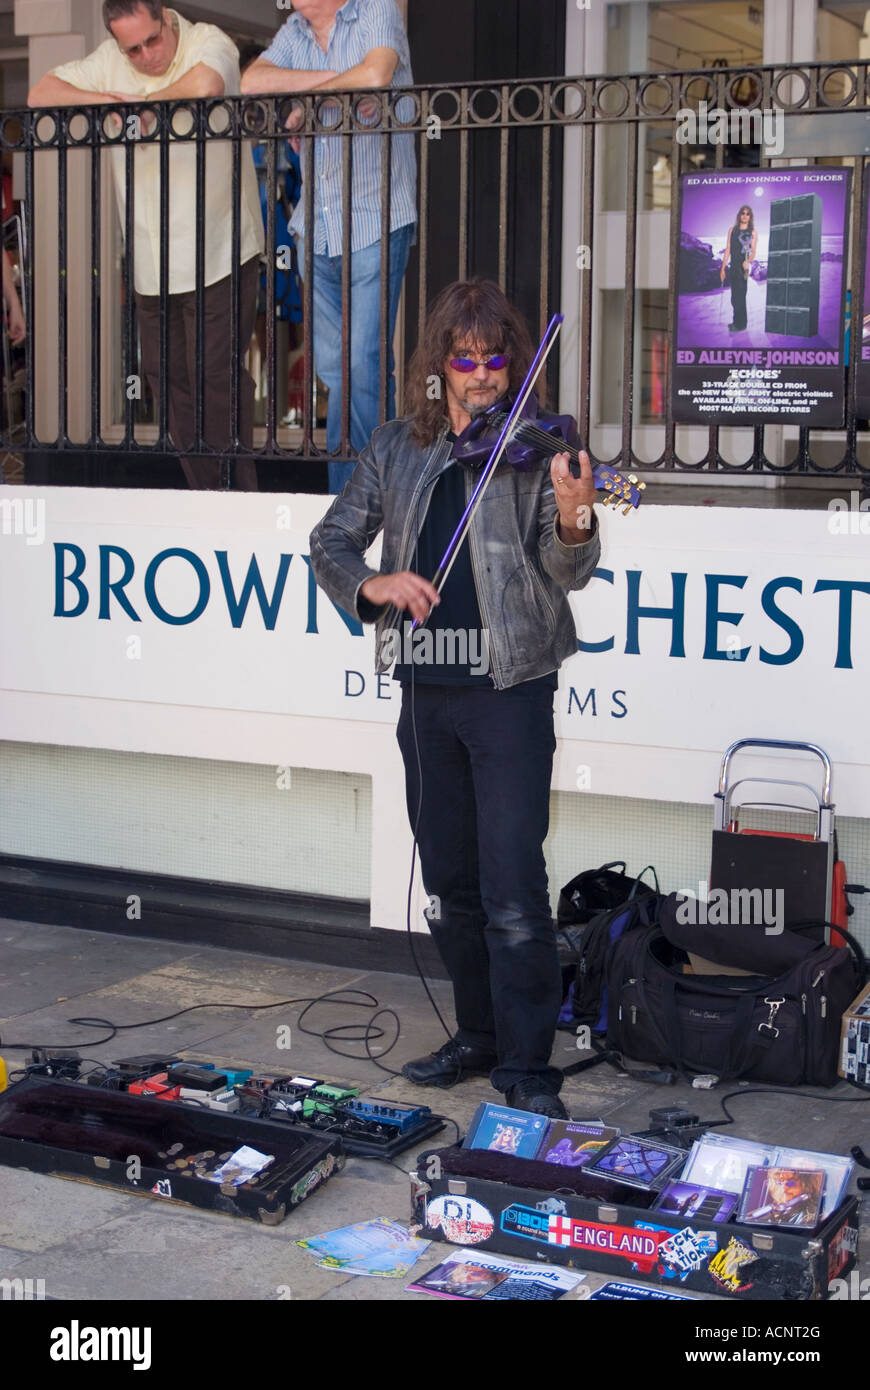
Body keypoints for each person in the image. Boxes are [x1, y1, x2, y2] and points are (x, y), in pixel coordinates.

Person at [309, 279, 601, 1117]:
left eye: (494, 360)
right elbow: (329, 539)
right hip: (424, 690)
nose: (479, 377)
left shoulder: (539, 450)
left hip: (509, 690)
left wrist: (578, 517)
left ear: (513, 363)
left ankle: (528, 1069)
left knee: (513, 883)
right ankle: (476, 1036)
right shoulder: (399, 445)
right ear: (438, 365)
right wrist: (374, 583)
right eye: (463, 360)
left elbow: (567, 567)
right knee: (449, 881)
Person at [28, 2, 265, 490]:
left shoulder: (208, 40)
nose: (144, 56)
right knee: (166, 382)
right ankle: (208, 494)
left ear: (165, 18)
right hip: (151, 261)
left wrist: (136, 109)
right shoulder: (107, 61)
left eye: (151, 41)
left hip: (219, 250)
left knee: (215, 380)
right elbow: (40, 94)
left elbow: (206, 85)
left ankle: (240, 497)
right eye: (130, 49)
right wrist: (98, 103)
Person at [241, 0, 417, 493]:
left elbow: (377, 72)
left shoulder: (375, 10)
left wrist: (308, 101)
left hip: (375, 215)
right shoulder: (295, 31)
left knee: (361, 363)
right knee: (338, 371)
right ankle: (379, 487)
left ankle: (352, 498)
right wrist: (338, 88)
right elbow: (253, 81)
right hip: (316, 224)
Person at [719, 204, 757, 334]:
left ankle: (741, 325)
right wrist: (722, 268)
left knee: (740, 296)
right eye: (743, 213)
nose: (745, 216)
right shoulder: (732, 230)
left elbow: (753, 253)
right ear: (739, 215)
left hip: (743, 268)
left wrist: (748, 261)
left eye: (747, 214)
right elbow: (728, 249)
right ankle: (736, 322)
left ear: (750, 217)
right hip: (733, 267)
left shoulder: (752, 232)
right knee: (734, 297)